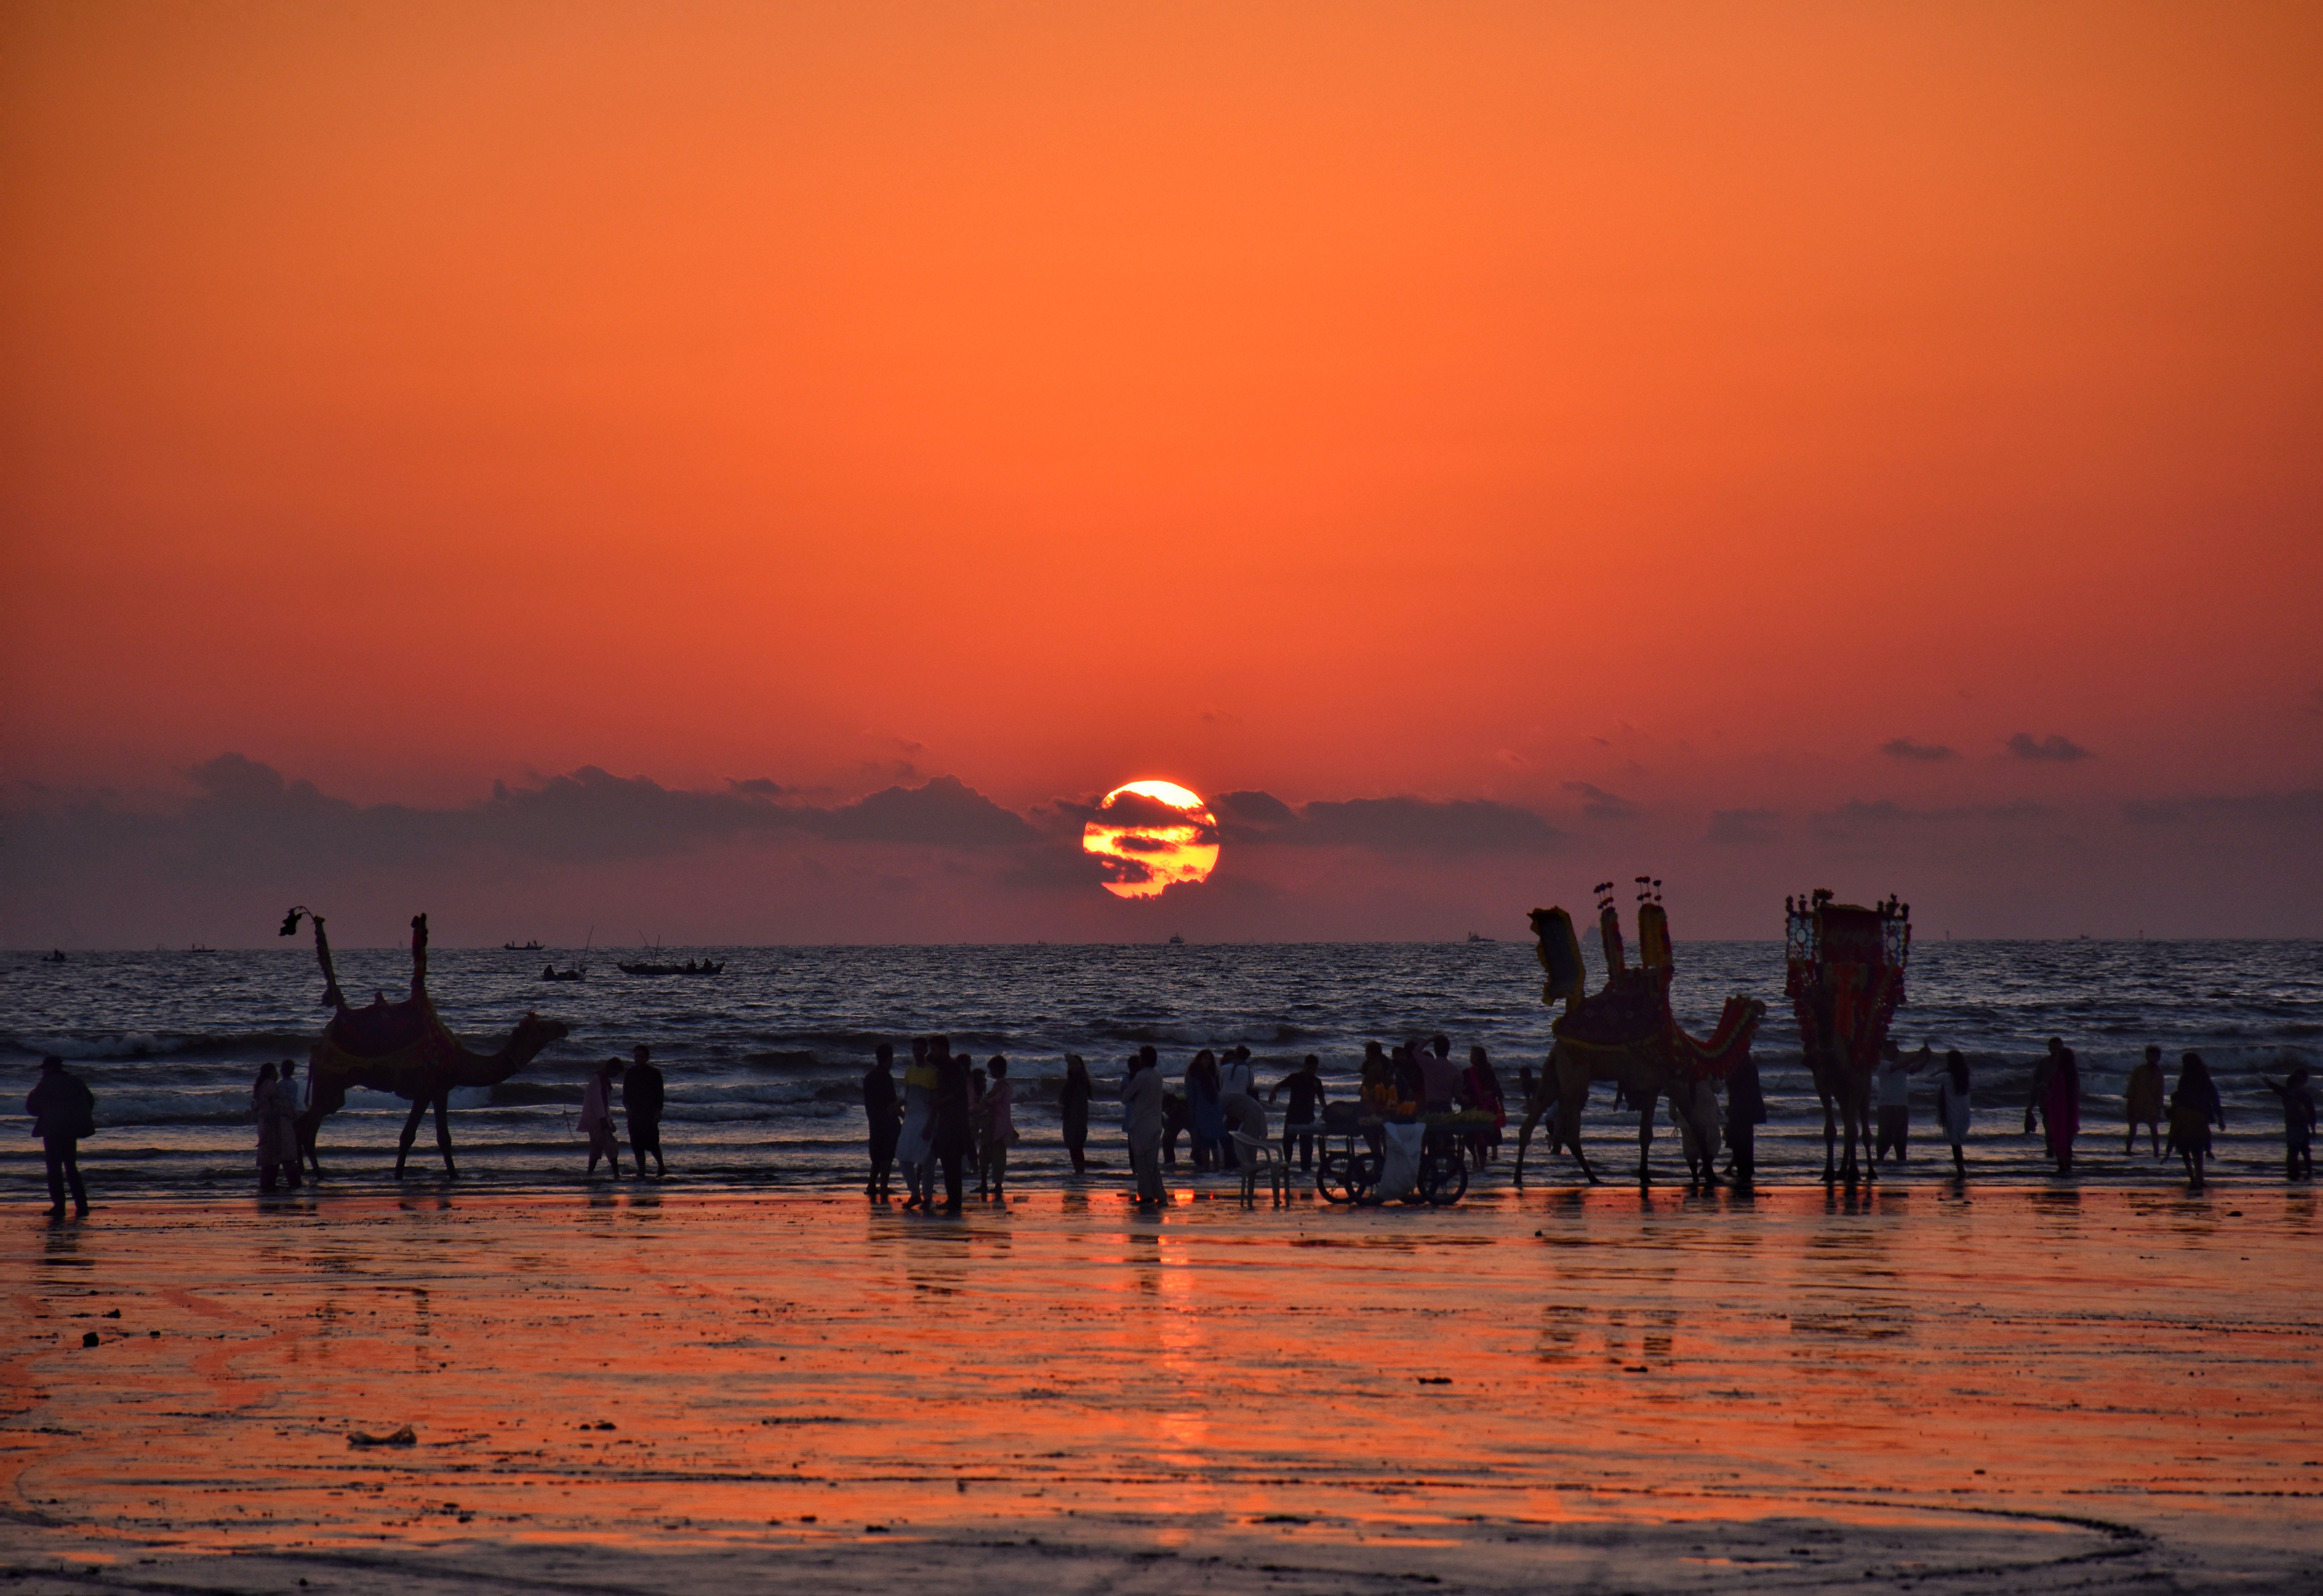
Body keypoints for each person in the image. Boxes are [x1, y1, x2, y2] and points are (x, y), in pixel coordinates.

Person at [26, 1056, 94, 1217]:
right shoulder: (75, 1082)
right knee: (71, 1167)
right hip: (71, 1130)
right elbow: (89, 1102)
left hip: (52, 1131)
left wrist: (46, 1114)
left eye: (45, 1069)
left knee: (54, 1169)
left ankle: (59, 1206)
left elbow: (33, 1107)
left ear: (51, 1068)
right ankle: (82, 1206)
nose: (43, 1072)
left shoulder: (46, 1084)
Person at [2025, 1037, 2080, 1174]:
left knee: (2061, 1135)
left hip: (2062, 1106)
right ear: (2049, 1049)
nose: (2056, 1051)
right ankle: (2054, 1160)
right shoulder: (2044, 1064)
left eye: (2058, 1048)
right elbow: (2036, 1085)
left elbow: (2075, 1089)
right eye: (2053, 1047)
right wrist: (2031, 1106)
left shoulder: (2068, 1070)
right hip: (2048, 1105)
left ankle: (2061, 1165)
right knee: (2052, 1133)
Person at [930, 1035, 972, 1213]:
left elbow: (958, 1094)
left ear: (943, 1049)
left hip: (953, 1122)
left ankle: (955, 1202)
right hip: (949, 1121)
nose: (932, 1053)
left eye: (934, 1049)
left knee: (951, 1164)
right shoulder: (946, 1067)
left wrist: (938, 1103)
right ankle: (954, 1200)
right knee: (949, 1164)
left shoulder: (952, 1068)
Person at [2170, 1052, 2223, 1188]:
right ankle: (2200, 1178)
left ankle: (2194, 1179)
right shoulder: (2204, 1078)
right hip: (2203, 1114)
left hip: (2188, 1114)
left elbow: (2180, 1098)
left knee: (2187, 1144)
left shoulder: (2184, 1079)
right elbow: (2215, 1097)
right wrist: (2220, 1117)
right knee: (2199, 1146)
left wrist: (2176, 1114)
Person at [1122, 1045, 1165, 1205]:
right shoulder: (1158, 1075)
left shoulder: (1141, 1076)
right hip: (1155, 1123)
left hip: (1141, 1123)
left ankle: (1147, 1195)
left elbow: (1126, 1097)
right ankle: (1160, 1195)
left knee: (1142, 1162)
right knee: (1152, 1163)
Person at [895, 1038, 936, 1209]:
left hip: (926, 1120)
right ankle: (915, 1194)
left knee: (927, 1161)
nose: (917, 1053)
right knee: (903, 1157)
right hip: (911, 1120)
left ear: (926, 1051)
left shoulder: (933, 1072)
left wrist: (930, 1125)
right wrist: (897, 1105)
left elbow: (935, 1102)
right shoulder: (910, 1072)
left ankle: (927, 1197)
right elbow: (908, 1096)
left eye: (920, 1050)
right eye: (914, 1050)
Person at [1269, 1054, 1326, 1172]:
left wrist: (1328, 1112)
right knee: (1288, 1142)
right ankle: (1286, 1166)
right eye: (1309, 1068)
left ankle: (1306, 1171)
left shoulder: (1316, 1082)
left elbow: (1322, 1100)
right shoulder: (1295, 1078)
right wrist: (1273, 1093)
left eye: (1314, 1069)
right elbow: (1279, 1085)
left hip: (1308, 1117)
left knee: (1307, 1146)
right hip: (1293, 1115)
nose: (1311, 1071)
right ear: (1305, 1066)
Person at [1873, 1041, 1926, 1164]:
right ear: (1885, 1051)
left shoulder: (1900, 1065)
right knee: (1885, 1136)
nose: (1897, 1050)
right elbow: (1897, 1067)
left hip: (1902, 1104)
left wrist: (1926, 1059)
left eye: (1897, 1048)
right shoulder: (1883, 1064)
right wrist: (1917, 1056)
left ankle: (1901, 1163)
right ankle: (1879, 1161)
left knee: (1901, 1138)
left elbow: (1915, 1069)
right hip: (1887, 1105)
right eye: (1894, 1048)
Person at [2260, 1064, 2314, 1182]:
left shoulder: (2298, 1094)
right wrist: (2270, 1084)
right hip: (2298, 1126)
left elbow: (2311, 1112)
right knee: (2299, 1150)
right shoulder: (2295, 1094)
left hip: (2297, 1126)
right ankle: (2298, 1173)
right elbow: (2312, 1113)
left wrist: (2269, 1083)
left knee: (2297, 1150)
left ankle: (2297, 1173)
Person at [862, 1043, 902, 1200]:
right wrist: (904, 1116)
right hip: (888, 1122)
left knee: (877, 1156)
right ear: (889, 1058)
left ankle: (872, 1185)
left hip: (874, 1120)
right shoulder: (886, 1078)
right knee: (887, 1157)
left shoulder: (869, 1077)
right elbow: (892, 1104)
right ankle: (884, 1187)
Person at [1725, 1047, 1767, 1188]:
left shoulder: (1745, 1066)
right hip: (1744, 1108)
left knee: (1741, 1140)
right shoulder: (1747, 1065)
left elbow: (1732, 1082)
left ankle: (1745, 1172)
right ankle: (1743, 1171)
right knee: (1742, 1140)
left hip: (1742, 1108)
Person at [623, 1045, 666, 1178]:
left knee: (653, 1143)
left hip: (650, 1114)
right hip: (634, 1114)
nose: (639, 1059)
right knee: (636, 1144)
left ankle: (661, 1166)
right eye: (636, 1056)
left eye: (642, 1056)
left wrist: (658, 1112)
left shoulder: (655, 1074)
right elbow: (626, 1095)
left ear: (647, 1058)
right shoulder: (630, 1074)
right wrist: (628, 1109)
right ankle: (642, 1171)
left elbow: (660, 1095)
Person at [979, 1055, 1016, 1201]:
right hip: (996, 1125)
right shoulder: (1000, 1085)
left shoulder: (1002, 1086)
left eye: (992, 1069)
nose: (991, 1072)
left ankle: (994, 1185)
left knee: (995, 1156)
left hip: (998, 1126)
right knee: (989, 1155)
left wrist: (984, 1101)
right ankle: (990, 1184)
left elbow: (996, 1100)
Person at [1462, 1045, 1505, 1166]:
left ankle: (1482, 1167)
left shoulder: (1489, 1073)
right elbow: (1462, 1090)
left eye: (1473, 1055)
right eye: (1471, 1055)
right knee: (1468, 1138)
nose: (1471, 1057)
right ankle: (1475, 1157)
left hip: (1486, 1109)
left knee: (1483, 1139)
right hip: (1470, 1109)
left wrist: (1502, 1112)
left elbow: (1498, 1092)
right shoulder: (1466, 1073)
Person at [581, 1058, 624, 1178]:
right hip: (598, 1121)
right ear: (611, 1068)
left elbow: (604, 1104)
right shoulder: (598, 1080)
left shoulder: (601, 1079)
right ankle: (616, 1174)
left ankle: (590, 1174)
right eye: (616, 1072)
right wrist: (604, 1120)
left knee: (596, 1148)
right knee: (611, 1147)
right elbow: (597, 1102)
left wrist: (610, 1121)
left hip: (598, 1120)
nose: (616, 1075)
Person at [1934, 1049, 1972, 1176]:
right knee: (1957, 1144)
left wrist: (1939, 1071)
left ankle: (1961, 1171)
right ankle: (1961, 1170)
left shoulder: (1947, 1076)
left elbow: (1929, 1080)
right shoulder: (1965, 1076)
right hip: (1965, 1116)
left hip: (1953, 1115)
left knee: (1955, 1145)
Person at [2125, 1045, 2167, 1158]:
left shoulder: (2159, 1073)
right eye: (2150, 1055)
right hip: (2137, 1104)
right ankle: (2128, 1151)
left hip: (2152, 1106)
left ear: (2159, 1058)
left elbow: (2161, 1091)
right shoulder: (2139, 1070)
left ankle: (2157, 1153)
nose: (2152, 1058)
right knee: (2133, 1130)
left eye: (2155, 1056)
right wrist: (2130, 1103)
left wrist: (2159, 1105)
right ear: (2146, 1056)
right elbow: (2132, 1087)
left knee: (2154, 1130)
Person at [1186, 1050, 1224, 1172]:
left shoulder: (1210, 1075)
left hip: (1211, 1111)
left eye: (1209, 1059)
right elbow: (1191, 1096)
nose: (1207, 1061)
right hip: (1203, 1110)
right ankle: (1209, 1168)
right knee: (1206, 1141)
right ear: (1199, 1059)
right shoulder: (1195, 1075)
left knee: (1211, 1141)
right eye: (1205, 1058)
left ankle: (1213, 1169)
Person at [1060, 1054, 1094, 1176]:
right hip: (1072, 1116)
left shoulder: (1080, 1080)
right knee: (1073, 1146)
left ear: (1080, 1066)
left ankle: (1080, 1172)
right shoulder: (1074, 1079)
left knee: (1076, 1145)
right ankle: (1079, 1172)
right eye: (1070, 1065)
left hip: (1077, 1116)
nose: (1072, 1067)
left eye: (1075, 1064)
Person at [1419, 1035, 1465, 1113]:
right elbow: (1457, 1093)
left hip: (1431, 1106)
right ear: (1448, 1049)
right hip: (1446, 1106)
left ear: (1435, 1049)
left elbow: (1415, 1052)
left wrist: (1430, 1039)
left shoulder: (1429, 1064)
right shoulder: (1456, 1071)